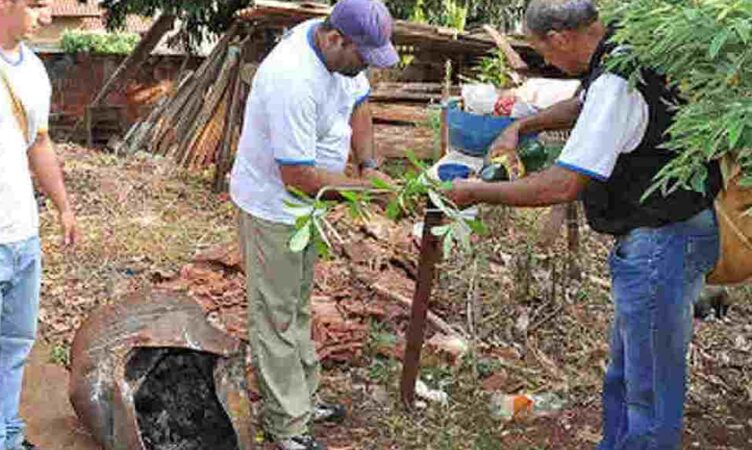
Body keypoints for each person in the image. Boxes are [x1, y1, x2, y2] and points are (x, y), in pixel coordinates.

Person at [447, 0, 721, 448]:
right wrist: (526, 125)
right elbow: (582, 105)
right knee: (628, 372)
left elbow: (562, 185)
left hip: (662, 240)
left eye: (545, 54)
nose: (549, 63)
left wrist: (475, 192)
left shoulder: (617, 77)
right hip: (664, 235)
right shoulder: (625, 50)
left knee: (648, 389)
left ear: (559, 37)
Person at [228, 0, 398, 448]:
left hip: (308, 208)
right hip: (275, 207)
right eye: (363, 56)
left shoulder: (337, 51)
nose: (366, 67)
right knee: (276, 317)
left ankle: (301, 396)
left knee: (297, 305)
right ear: (335, 39)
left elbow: (359, 100)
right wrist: (369, 193)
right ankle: (287, 427)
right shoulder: (292, 78)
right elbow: (298, 177)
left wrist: (367, 163)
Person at [0, 1, 80, 449]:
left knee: (15, 346)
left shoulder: (34, 70)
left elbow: (39, 141)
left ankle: (7, 433)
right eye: (37, 4)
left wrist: (63, 205)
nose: (46, 16)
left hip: (23, 236)